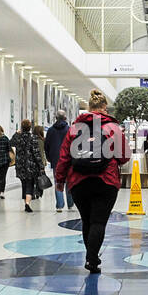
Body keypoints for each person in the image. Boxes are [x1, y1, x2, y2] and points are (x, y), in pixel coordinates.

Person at [55, 89, 128, 273]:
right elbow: (124, 156)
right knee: (98, 222)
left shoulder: (74, 128)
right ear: (105, 107)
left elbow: (64, 157)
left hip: (79, 181)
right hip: (107, 180)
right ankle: (92, 259)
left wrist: (60, 181)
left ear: (89, 107)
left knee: (87, 221)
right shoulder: (113, 128)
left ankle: (91, 256)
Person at [11, 119, 43, 213]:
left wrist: (16, 133)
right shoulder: (33, 138)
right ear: (30, 128)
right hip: (31, 166)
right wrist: (40, 165)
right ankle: (27, 203)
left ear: (22, 127)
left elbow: (11, 143)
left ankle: (26, 202)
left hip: (20, 166)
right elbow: (36, 153)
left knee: (24, 184)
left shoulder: (18, 138)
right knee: (30, 185)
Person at [44, 110, 71, 212]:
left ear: (56, 118)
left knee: (58, 181)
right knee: (69, 181)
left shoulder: (50, 130)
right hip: (68, 159)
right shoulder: (69, 130)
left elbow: (46, 146)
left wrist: (49, 157)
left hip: (56, 160)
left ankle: (60, 205)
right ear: (65, 118)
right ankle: (70, 203)